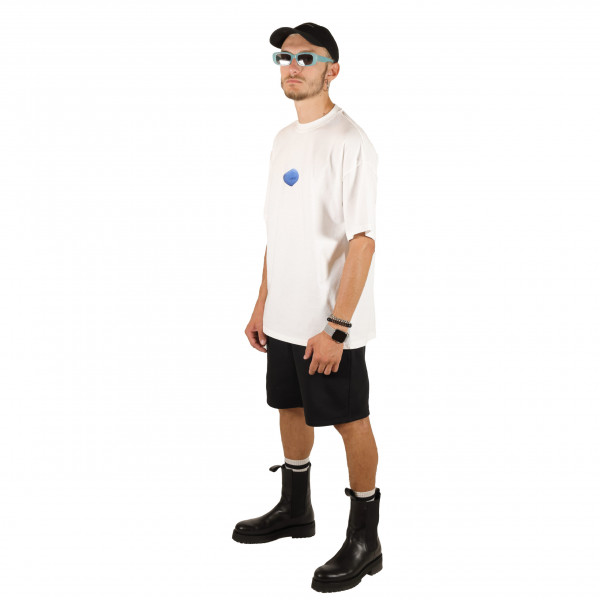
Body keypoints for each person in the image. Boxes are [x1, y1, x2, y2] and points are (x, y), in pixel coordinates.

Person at [232, 22, 382, 593]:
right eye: (284, 57)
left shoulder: (350, 141)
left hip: (329, 324)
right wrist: (262, 304)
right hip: (284, 318)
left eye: (307, 57)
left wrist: (337, 328)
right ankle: (296, 509)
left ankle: (366, 539)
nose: (292, 65)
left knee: (349, 421)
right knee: (289, 409)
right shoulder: (282, 139)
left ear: (332, 70)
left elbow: (362, 242)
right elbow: (279, 232)